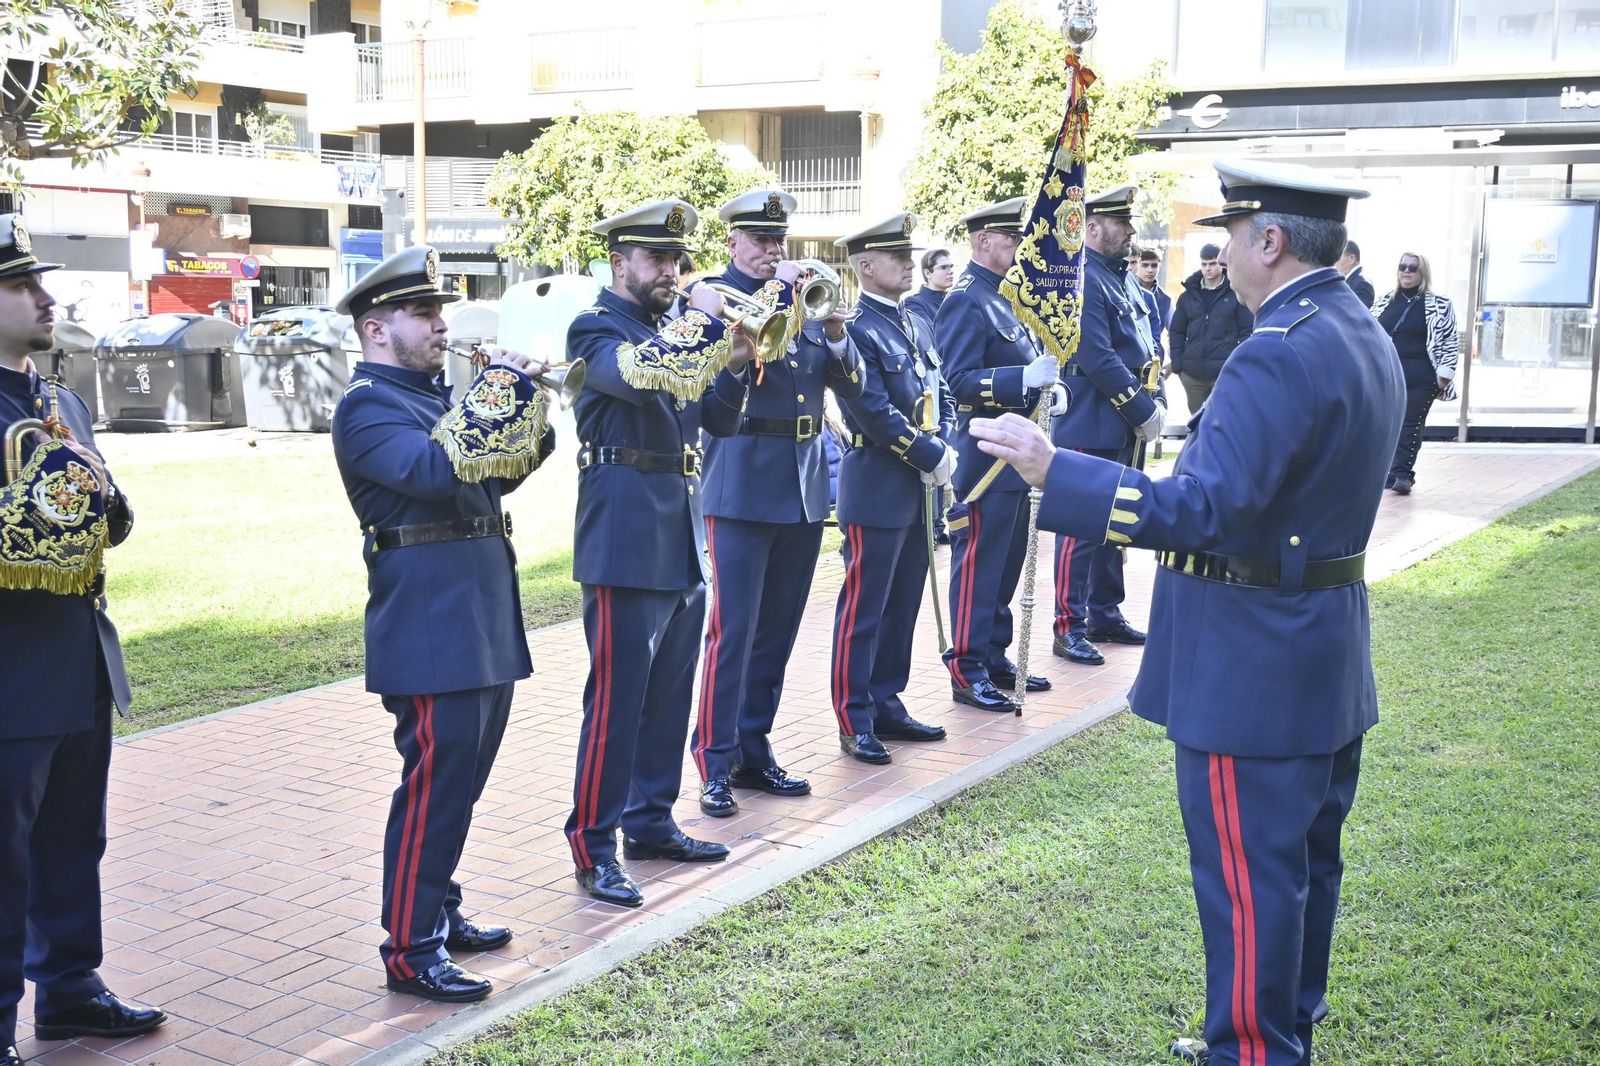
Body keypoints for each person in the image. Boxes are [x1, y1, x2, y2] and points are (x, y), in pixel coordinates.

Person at [968, 159, 1404, 1066]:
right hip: (1319, 646)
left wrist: (1061, 471)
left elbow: (1207, 509)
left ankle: (1252, 1050)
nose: (1226, 252)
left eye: (1234, 235)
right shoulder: (1355, 326)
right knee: (1303, 871)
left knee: (1249, 880)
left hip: (1254, 658)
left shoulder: (1277, 349)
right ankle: (1287, 1030)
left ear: (1269, 242)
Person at [331, 245, 558, 1002]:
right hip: (429, 619)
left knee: (460, 782)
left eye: (438, 311)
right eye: (423, 313)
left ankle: (439, 906)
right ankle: (411, 945)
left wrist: (531, 402)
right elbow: (434, 475)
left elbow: (498, 469)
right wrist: (494, 388)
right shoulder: (367, 406)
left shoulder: (432, 396)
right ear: (375, 329)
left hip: (478, 609)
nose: (440, 325)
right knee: (433, 786)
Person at [0, 215, 164, 1066]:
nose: (46, 296)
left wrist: (109, 506)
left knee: (73, 839)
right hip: (7, 664)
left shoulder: (57, 400)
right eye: (24, 286)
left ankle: (70, 991)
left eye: (41, 282)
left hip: (75, 653)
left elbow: (100, 517)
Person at [563, 200, 760, 907]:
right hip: (622, 532)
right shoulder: (596, 328)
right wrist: (705, 321)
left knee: (669, 694)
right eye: (658, 260)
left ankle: (650, 820)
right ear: (620, 263)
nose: (672, 272)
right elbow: (643, 374)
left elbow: (721, 421)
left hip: (679, 526)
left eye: (677, 260)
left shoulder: (669, 333)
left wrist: (738, 360)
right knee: (616, 702)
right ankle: (593, 842)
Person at [691, 189, 862, 816]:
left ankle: (752, 747)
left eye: (778, 240)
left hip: (803, 484)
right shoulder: (710, 298)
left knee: (777, 631)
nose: (772, 250)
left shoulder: (807, 301)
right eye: (759, 240)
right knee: (731, 632)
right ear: (733, 242)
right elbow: (711, 376)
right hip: (740, 482)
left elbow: (852, 384)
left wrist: (838, 333)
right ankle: (712, 760)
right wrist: (773, 297)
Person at [830, 212, 955, 764]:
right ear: (865, 265)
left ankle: (887, 700)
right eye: (898, 256)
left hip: (918, 487)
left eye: (910, 254)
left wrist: (945, 442)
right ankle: (853, 716)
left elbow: (940, 389)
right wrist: (928, 452)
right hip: (877, 481)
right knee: (865, 608)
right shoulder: (855, 326)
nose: (910, 263)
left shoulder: (915, 321)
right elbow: (871, 410)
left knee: (904, 600)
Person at [939, 196, 1062, 713]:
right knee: (980, 562)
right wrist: (1019, 381)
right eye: (1011, 238)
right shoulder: (966, 298)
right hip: (986, 452)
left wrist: (1045, 392)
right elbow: (958, 381)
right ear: (983, 240)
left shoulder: (1012, 297)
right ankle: (966, 666)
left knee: (1008, 561)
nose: (1019, 247)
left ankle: (993, 653)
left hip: (1016, 449)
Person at [1050, 185, 1164, 668]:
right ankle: (1069, 625)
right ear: (1092, 229)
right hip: (1091, 417)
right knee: (1080, 528)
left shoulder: (1118, 278)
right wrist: (1142, 410)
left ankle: (1103, 611)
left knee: (1113, 524)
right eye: (1122, 224)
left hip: (1116, 419)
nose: (1132, 231)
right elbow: (1096, 355)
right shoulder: (1081, 278)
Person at [1371, 252, 1458, 495]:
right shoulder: (1384, 301)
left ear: (1423, 273)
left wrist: (1445, 374)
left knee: (1410, 422)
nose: (1407, 272)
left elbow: (1450, 339)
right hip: (1387, 374)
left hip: (1422, 375)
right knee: (1387, 424)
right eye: (1403, 267)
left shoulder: (1439, 303)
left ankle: (1402, 474)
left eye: (1413, 268)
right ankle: (1389, 472)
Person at [1166, 242, 1253, 415]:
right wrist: (1178, 365)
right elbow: (1176, 331)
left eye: (1212, 263)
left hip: (1224, 373)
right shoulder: (1188, 296)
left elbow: (1247, 331)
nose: (1208, 268)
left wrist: (1234, 362)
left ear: (1221, 263)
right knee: (1196, 424)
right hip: (1192, 375)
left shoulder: (1235, 293)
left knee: (1222, 421)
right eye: (1204, 264)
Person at [1131, 245, 1172, 360]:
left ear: (1160, 266)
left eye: (1154, 265)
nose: (1150, 270)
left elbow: (1175, 331)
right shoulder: (1125, 290)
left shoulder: (1166, 299)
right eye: (1145, 265)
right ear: (1138, 264)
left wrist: (1174, 362)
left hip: (1154, 357)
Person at [904, 247, 955, 325]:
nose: (951, 271)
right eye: (943, 267)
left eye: (951, 266)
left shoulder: (955, 298)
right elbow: (929, 334)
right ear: (927, 273)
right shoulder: (915, 302)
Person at [1338, 240, 1375, 308]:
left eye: (1338, 256)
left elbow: (1362, 316)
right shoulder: (1354, 279)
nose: (1335, 260)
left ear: (1351, 258)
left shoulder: (1362, 283)